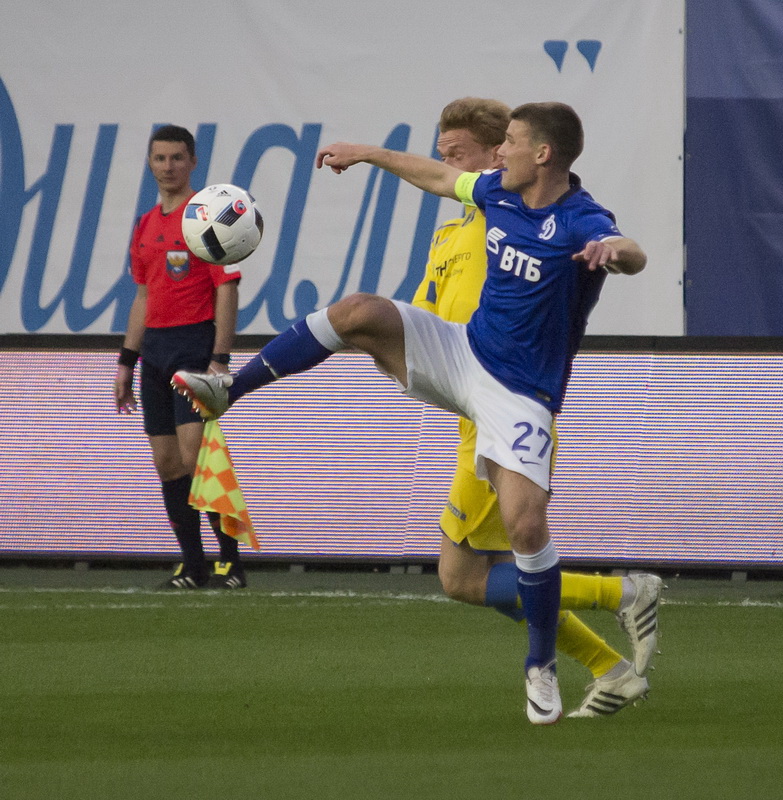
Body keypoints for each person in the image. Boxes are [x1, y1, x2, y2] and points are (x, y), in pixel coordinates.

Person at [173, 101, 647, 724]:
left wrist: (615, 251)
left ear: (544, 155)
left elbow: (632, 251)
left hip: (518, 395)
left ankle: (542, 665)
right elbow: (438, 178)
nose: (500, 152)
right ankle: (229, 391)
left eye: (511, 142)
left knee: (526, 530)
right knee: (360, 312)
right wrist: (367, 153)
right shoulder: (497, 194)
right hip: (464, 353)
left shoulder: (581, 218)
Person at [412, 97, 662, 717]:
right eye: (443, 153)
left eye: (462, 153)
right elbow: (429, 311)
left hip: (494, 417)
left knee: (463, 578)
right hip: (473, 409)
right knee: (499, 579)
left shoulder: (499, 228)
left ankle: (622, 593)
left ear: (508, 149)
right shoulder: (459, 227)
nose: (453, 165)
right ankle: (612, 666)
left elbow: (493, 331)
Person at [114, 124, 247, 590]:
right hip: (154, 351)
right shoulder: (146, 225)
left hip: (194, 348)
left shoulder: (208, 218)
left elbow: (226, 289)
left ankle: (229, 559)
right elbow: (143, 296)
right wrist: (126, 362)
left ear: (193, 162)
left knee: (197, 459)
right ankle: (192, 562)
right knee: (167, 463)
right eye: (159, 158)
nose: (168, 167)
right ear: (150, 164)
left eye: (176, 158)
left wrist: (221, 357)